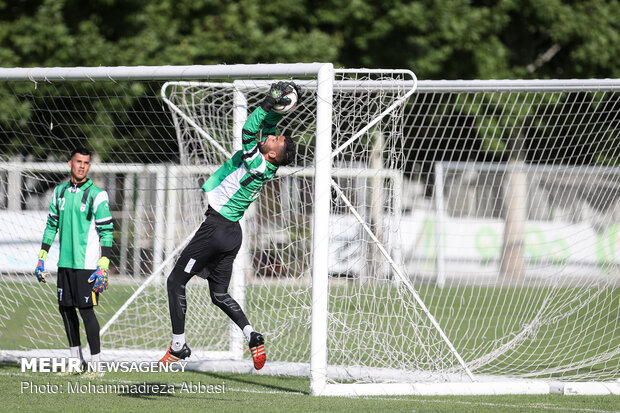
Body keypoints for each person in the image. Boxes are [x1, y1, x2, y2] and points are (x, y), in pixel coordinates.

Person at [159, 81, 298, 370]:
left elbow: (249, 130)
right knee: (219, 295)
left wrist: (266, 104)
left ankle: (178, 346)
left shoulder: (257, 162)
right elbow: (264, 129)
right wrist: (276, 108)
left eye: (276, 140)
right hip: (232, 233)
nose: (271, 137)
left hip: (217, 228)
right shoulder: (267, 162)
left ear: (273, 154)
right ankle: (252, 334)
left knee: (175, 282)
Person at [35, 147, 113, 374]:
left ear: (89, 166)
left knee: (86, 311)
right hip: (64, 264)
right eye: (78, 162)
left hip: (87, 265)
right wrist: (41, 258)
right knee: (66, 310)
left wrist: (104, 263)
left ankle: (97, 365)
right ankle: (76, 361)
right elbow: (51, 226)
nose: (82, 166)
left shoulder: (98, 195)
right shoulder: (58, 192)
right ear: (70, 163)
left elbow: (107, 231)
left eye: (86, 163)